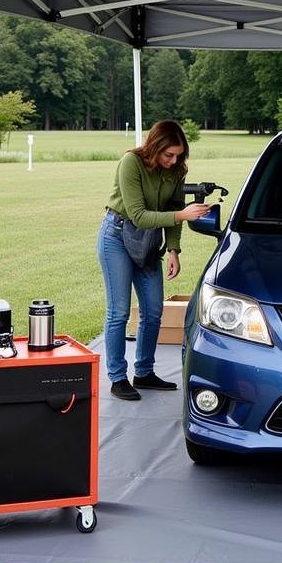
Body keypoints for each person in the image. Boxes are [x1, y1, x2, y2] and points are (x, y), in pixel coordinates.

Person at [98, 120, 210, 400]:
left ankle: (144, 372)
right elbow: (138, 215)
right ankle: (117, 377)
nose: (173, 161)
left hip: (148, 241)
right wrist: (183, 214)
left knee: (153, 310)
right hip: (117, 235)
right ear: (155, 147)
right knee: (119, 311)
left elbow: (172, 209)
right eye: (168, 155)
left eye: (178, 155)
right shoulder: (130, 163)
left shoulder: (177, 170)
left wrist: (173, 249)